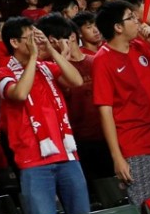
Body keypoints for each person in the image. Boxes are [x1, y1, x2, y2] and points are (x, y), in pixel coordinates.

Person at [93, 0, 150, 208]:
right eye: (131, 18)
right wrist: (117, 157)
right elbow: (105, 111)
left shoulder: (140, 46)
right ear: (118, 27)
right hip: (135, 147)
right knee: (148, 210)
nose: (138, 22)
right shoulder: (102, 60)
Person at [0, 17, 89, 214]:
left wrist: (51, 50)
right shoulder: (2, 73)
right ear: (15, 43)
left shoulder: (46, 67)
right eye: (30, 38)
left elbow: (76, 81)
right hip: (33, 161)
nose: (36, 42)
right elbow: (19, 93)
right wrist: (34, 58)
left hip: (67, 156)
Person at [35, 14, 111, 181]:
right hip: (77, 141)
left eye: (50, 40)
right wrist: (62, 57)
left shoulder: (95, 62)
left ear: (72, 36)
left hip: (107, 135)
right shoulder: (48, 69)